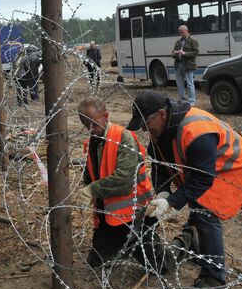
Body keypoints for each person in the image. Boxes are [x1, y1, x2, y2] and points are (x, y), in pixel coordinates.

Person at [127, 91, 242, 289]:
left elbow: (203, 179)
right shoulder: (160, 130)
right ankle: (196, 245)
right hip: (206, 169)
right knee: (197, 207)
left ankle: (214, 277)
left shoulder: (196, 132)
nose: (144, 129)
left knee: (205, 214)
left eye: (145, 122)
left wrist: (171, 202)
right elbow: (160, 163)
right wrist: (163, 191)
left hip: (230, 169)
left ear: (161, 114)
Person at [75, 97, 175, 270]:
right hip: (109, 216)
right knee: (96, 263)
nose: (91, 130)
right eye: (87, 126)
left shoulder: (123, 137)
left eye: (94, 124)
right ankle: (125, 246)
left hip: (134, 215)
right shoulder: (94, 140)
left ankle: (185, 242)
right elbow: (92, 171)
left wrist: (92, 189)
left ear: (105, 116)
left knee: (161, 267)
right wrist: (88, 187)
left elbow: (124, 180)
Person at [173, 25, 198, 105]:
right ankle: (182, 99)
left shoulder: (193, 41)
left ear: (187, 31)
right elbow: (172, 54)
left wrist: (184, 53)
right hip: (178, 65)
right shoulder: (178, 42)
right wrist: (176, 53)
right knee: (179, 84)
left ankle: (191, 101)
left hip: (188, 66)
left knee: (190, 84)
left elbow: (195, 53)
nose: (181, 34)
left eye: (182, 32)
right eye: (180, 33)